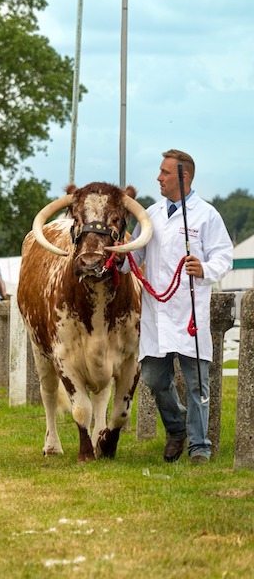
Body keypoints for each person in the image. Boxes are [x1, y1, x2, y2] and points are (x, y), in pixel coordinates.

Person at [122, 149, 233, 465]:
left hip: (190, 313)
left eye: (164, 172)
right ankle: (176, 427)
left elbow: (224, 255)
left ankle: (200, 446)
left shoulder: (207, 215)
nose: (158, 177)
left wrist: (205, 268)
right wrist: (120, 257)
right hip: (157, 314)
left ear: (183, 177)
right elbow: (136, 259)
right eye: (159, 172)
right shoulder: (151, 215)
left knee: (198, 383)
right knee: (154, 379)